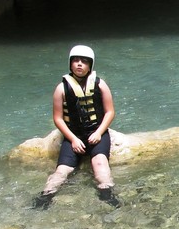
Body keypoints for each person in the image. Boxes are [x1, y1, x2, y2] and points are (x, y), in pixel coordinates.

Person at [33, 45, 120, 209]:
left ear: (90, 65)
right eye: (76, 61)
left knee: (100, 164)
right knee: (61, 171)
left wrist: (99, 133)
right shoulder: (61, 88)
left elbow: (110, 112)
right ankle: (45, 197)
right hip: (74, 136)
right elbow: (58, 118)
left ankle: (107, 195)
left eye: (84, 61)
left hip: (97, 134)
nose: (79, 64)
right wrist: (72, 139)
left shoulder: (100, 85)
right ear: (70, 64)